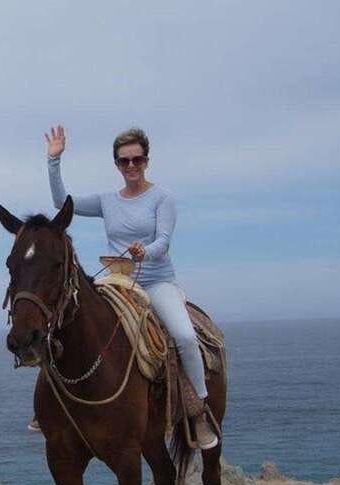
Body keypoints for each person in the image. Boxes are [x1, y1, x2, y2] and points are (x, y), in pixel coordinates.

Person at [44, 125, 218, 449]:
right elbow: (60, 202)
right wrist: (54, 161)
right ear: (116, 165)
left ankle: (199, 411)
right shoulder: (107, 201)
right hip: (116, 280)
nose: (131, 167)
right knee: (66, 319)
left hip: (155, 281)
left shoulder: (162, 198)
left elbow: (163, 241)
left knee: (184, 336)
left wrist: (145, 251)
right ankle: (54, 405)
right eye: (124, 161)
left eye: (136, 160)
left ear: (147, 161)